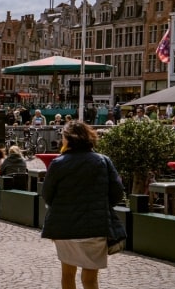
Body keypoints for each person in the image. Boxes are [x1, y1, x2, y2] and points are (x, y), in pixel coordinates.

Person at [41, 121, 124, 289]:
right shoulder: (103, 161)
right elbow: (117, 193)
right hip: (95, 227)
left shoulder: (58, 163)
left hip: (64, 227)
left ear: (68, 139)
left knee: (67, 274)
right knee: (90, 279)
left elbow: (47, 195)